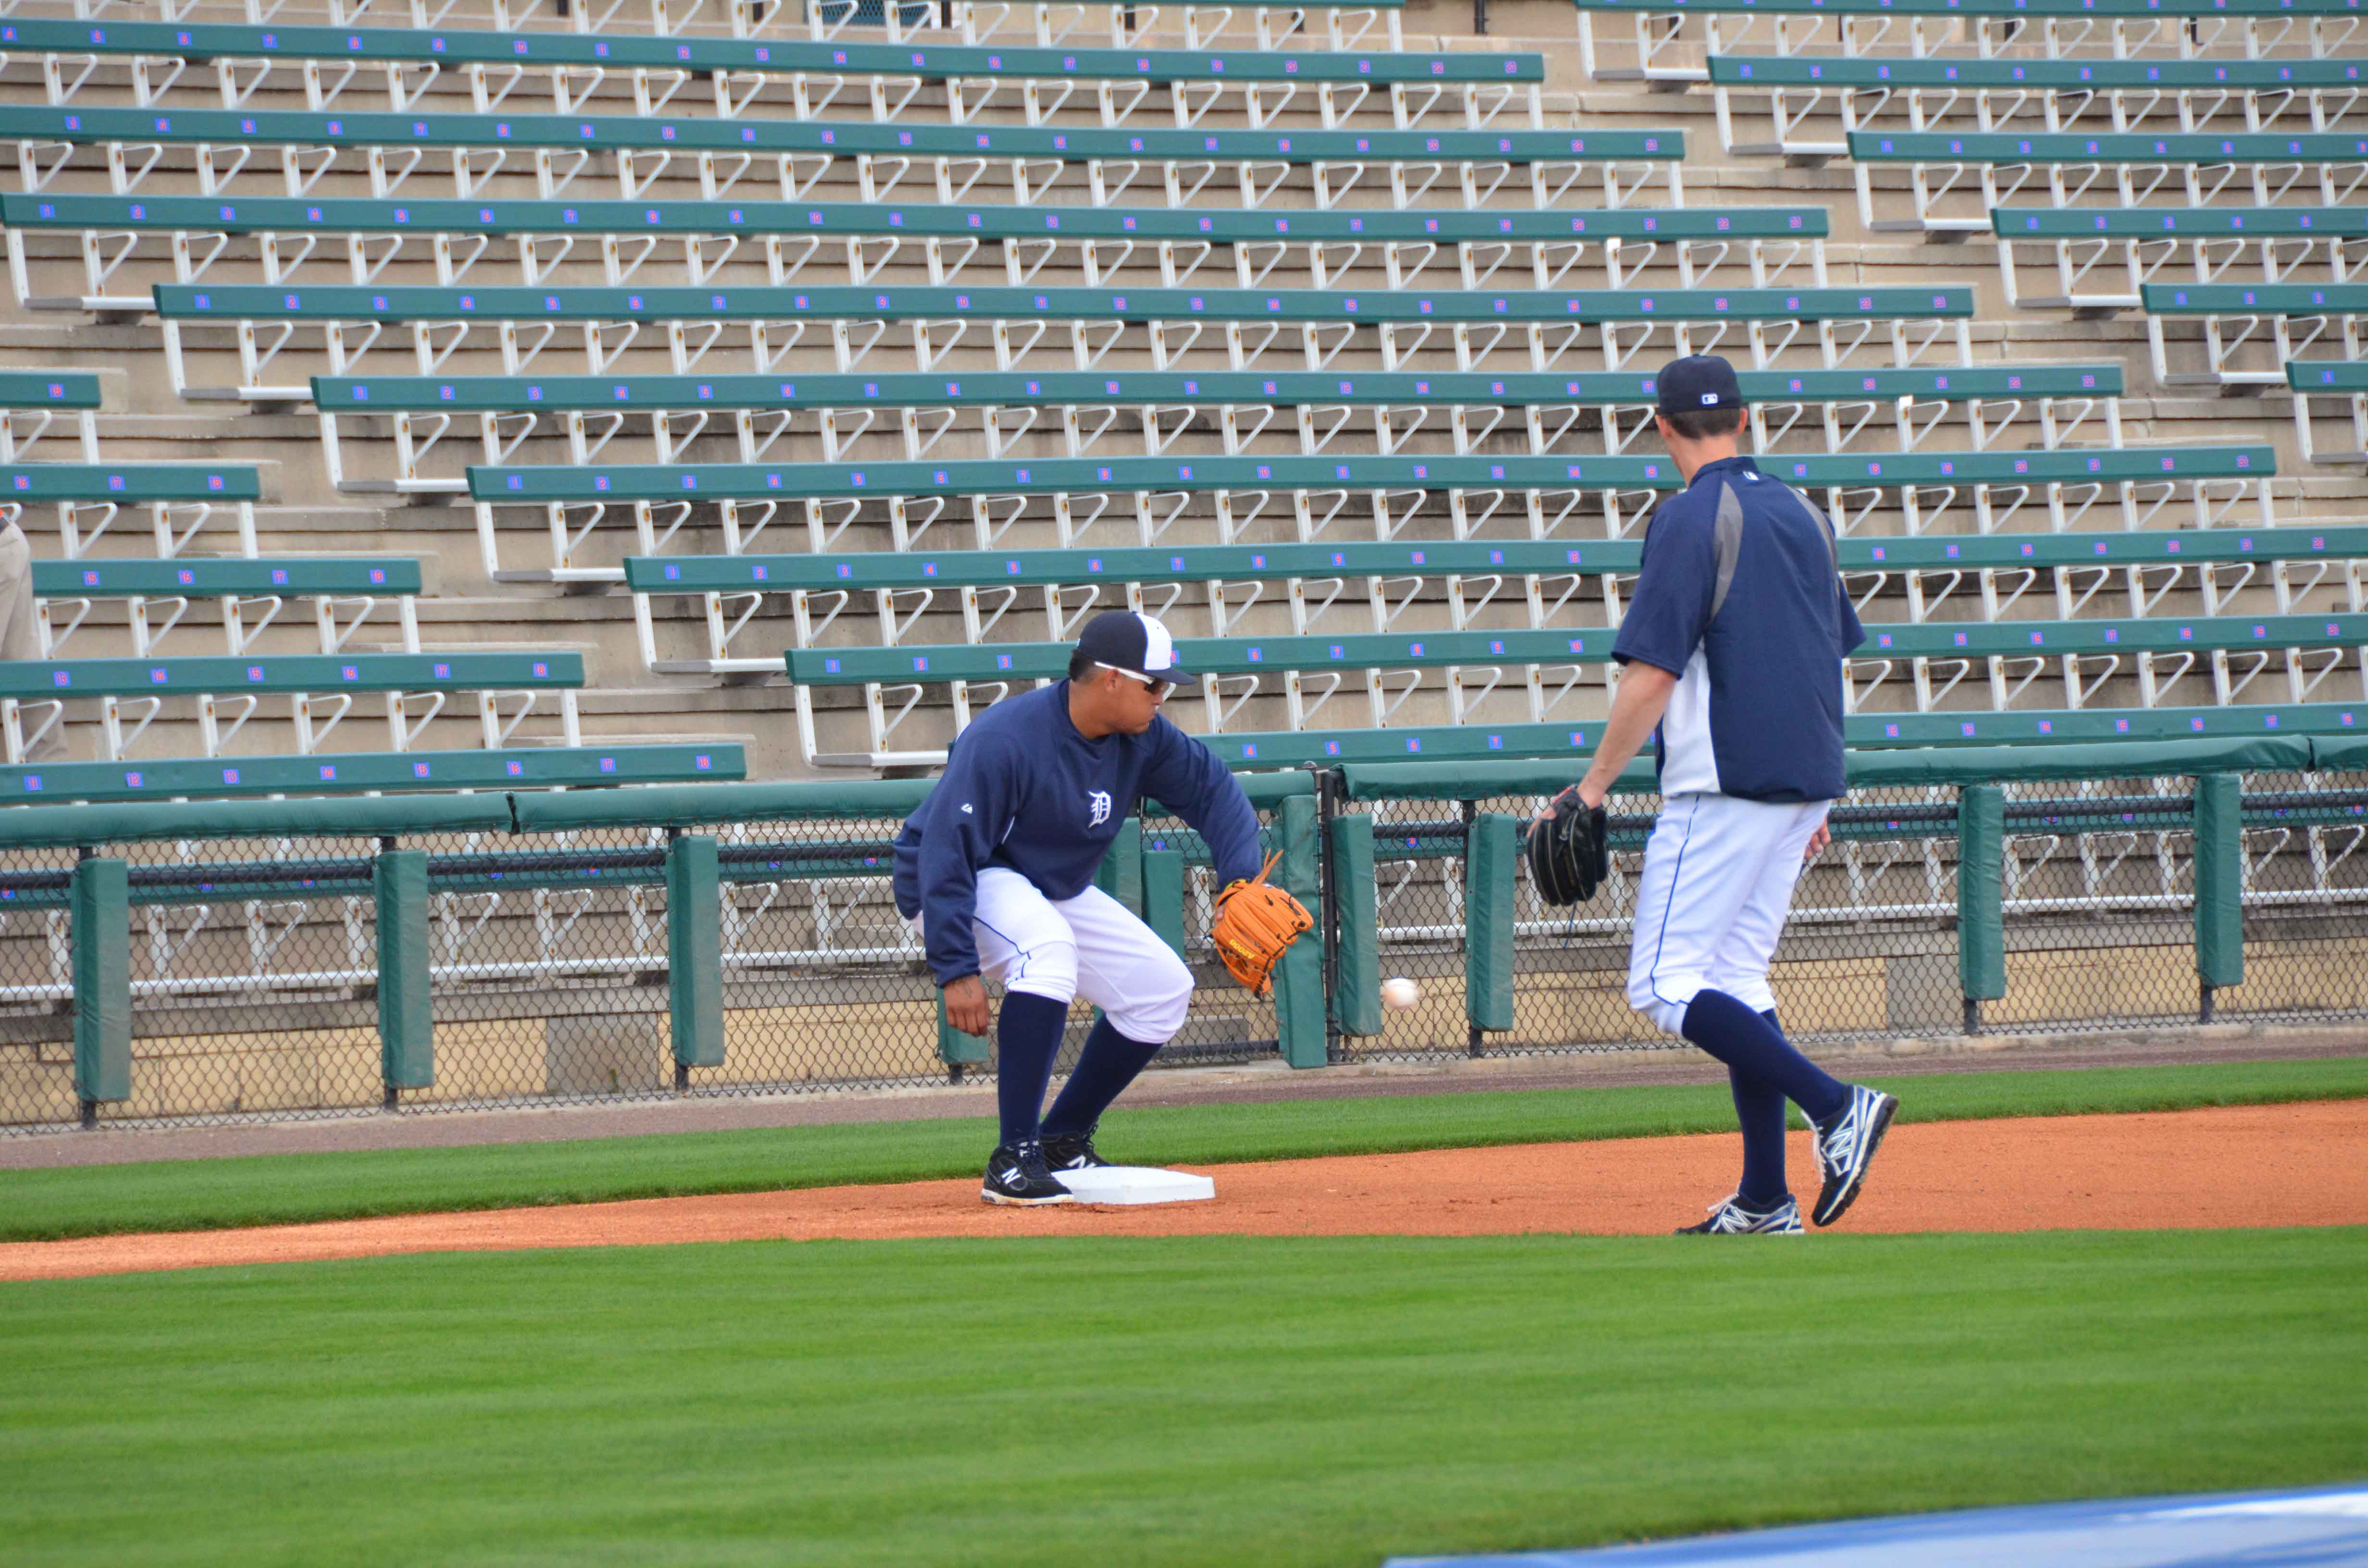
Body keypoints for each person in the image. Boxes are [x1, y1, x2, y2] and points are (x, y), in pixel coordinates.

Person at [1547, 354, 1899, 1234]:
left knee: (1663, 985)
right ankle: (1763, 1196)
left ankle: (1833, 1105)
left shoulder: (1684, 519)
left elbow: (1652, 670)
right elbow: (1829, 652)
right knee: (1733, 978)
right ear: (1743, 417)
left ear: (1660, 426)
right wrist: (1813, 792)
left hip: (1722, 782)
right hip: (1796, 779)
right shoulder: (1805, 513)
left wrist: (1591, 788)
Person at [892, 608, 1267, 1206]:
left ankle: (1063, 1138)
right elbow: (947, 849)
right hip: (959, 878)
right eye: (1155, 684)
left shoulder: (1143, 738)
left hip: (1045, 886)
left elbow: (1214, 791)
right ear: (1111, 679)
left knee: (1160, 987)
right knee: (1045, 949)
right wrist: (956, 967)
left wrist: (1241, 880)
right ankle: (1013, 1157)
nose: (1163, 697)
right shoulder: (1004, 738)